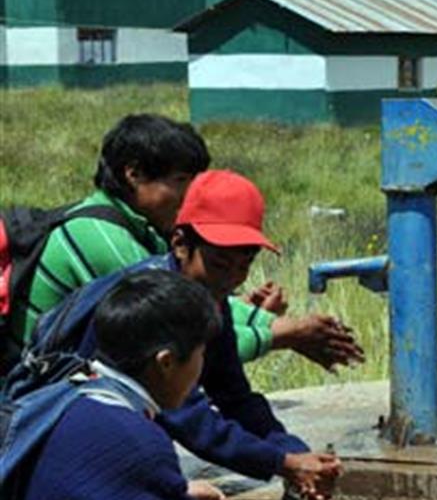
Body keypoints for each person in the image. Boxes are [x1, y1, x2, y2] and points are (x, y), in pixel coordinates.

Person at [25, 169, 344, 499]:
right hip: (65, 441)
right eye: (220, 264)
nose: (231, 279)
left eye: (244, 266)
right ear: (180, 244)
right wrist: (284, 463)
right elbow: (189, 419)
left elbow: (233, 394)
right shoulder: (151, 306)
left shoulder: (205, 298)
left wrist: (296, 453)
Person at [13, 113, 360, 370]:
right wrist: (285, 333)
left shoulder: (141, 230)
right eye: (181, 180)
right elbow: (181, 338)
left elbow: (193, 301)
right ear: (133, 174)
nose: (191, 195)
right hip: (32, 403)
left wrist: (259, 317)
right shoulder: (98, 238)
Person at [25, 270, 227, 500]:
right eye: (201, 353)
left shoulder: (63, 397)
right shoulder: (142, 443)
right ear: (166, 362)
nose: (201, 365)